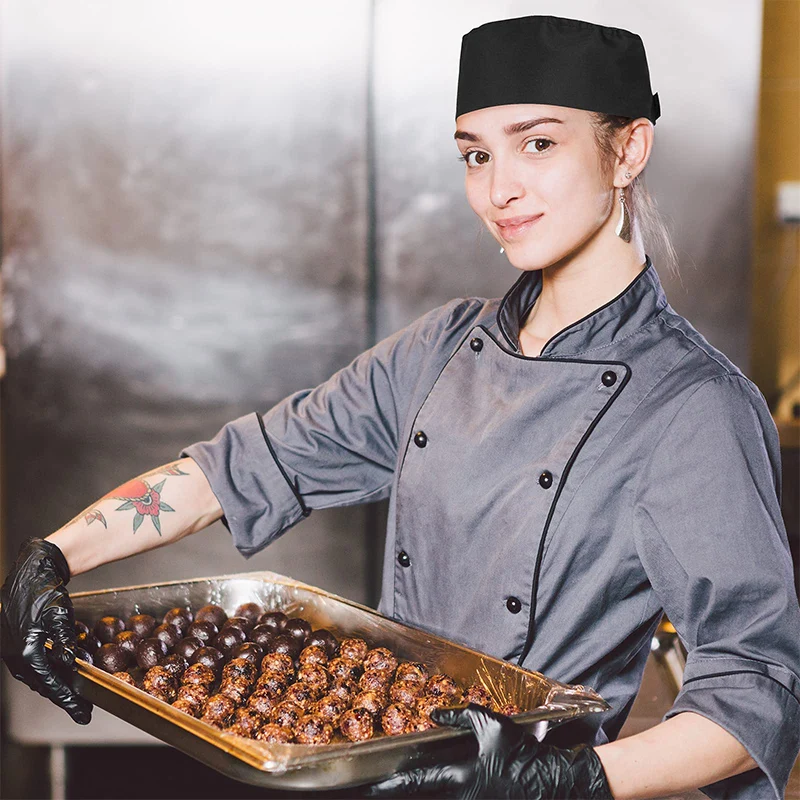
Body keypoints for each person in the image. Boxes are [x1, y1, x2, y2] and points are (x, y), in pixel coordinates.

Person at [2, 14, 799, 800]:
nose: (498, 189)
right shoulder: (441, 349)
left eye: (539, 144)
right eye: (475, 154)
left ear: (627, 149)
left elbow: (758, 690)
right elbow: (237, 470)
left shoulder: (692, 406)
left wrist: (571, 777)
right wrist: (54, 559)